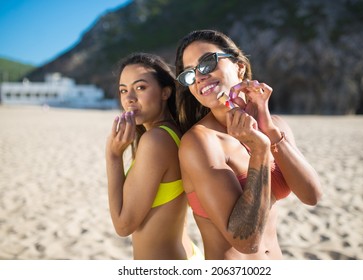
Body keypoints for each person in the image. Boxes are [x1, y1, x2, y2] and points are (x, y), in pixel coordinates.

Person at [174, 29, 322, 260]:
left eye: (206, 63)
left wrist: (271, 133)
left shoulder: (275, 125)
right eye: (190, 74)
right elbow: (246, 241)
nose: (199, 76)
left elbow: (311, 196)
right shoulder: (199, 142)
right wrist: (260, 151)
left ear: (239, 67)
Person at [105, 52, 202, 260]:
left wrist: (113, 156)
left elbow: (123, 225)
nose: (129, 98)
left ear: (165, 92)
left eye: (140, 88)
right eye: (123, 90)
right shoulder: (172, 133)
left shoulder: (156, 140)